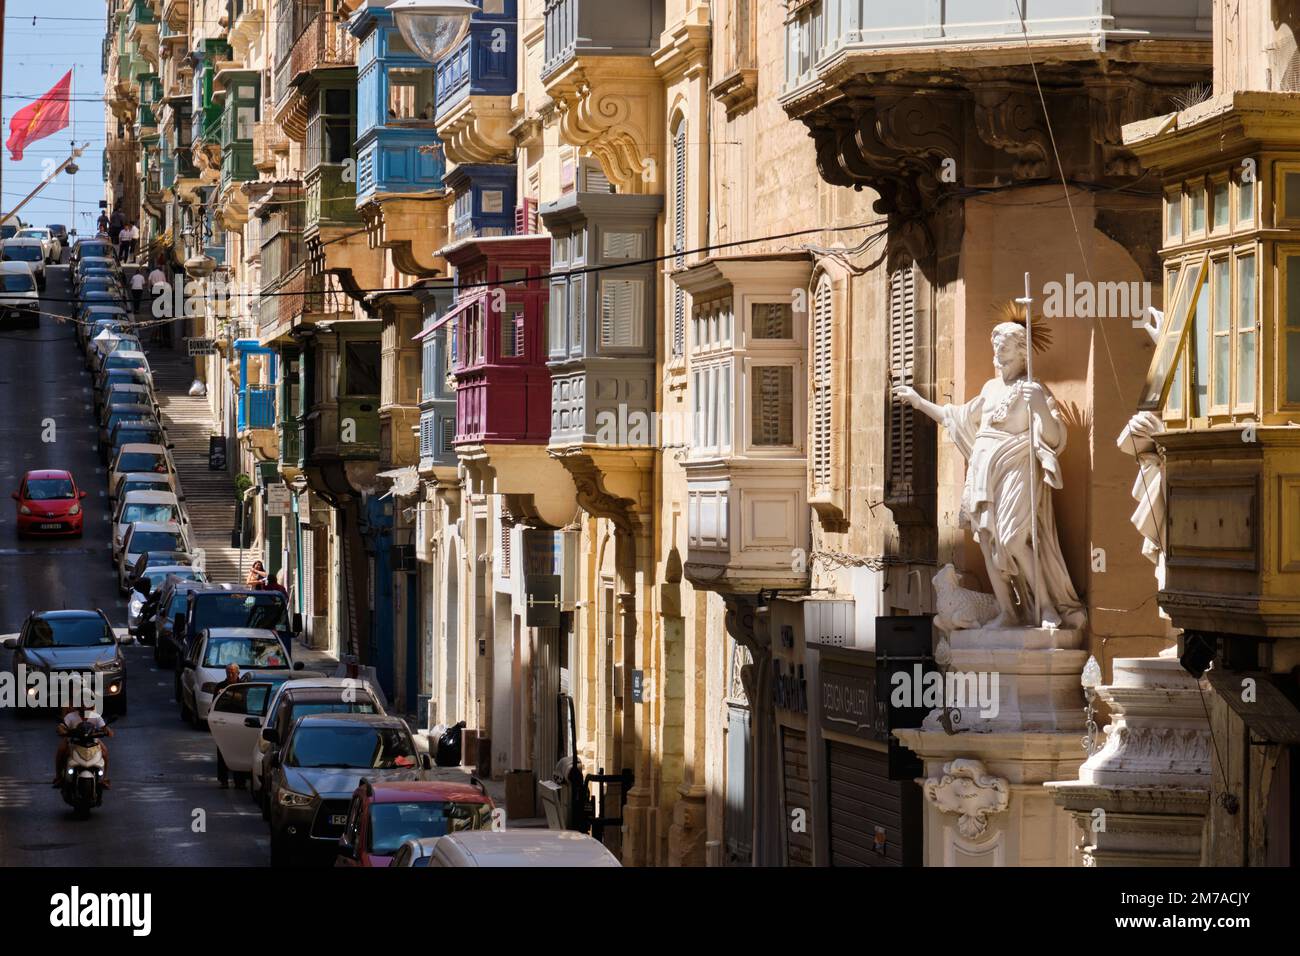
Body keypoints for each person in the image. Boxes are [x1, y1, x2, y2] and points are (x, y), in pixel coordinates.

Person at [894, 304, 1085, 630]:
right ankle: (1009, 614)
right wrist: (919, 401)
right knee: (986, 540)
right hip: (983, 469)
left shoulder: (1033, 390)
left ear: (1023, 354)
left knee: (1012, 539)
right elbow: (956, 417)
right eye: (996, 352)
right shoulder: (990, 389)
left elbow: (1053, 439)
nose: (998, 359)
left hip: (1014, 466)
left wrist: (1038, 405)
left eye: (1005, 353)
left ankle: (1047, 606)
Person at [53, 702, 113, 789]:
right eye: (82, 703)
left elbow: (104, 728)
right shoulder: (71, 716)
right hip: (73, 740)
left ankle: (104, 778)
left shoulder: (95, 716)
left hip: (93, 741)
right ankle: (59, 777)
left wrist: (107, 731)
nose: (84, 706)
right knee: (61, 751)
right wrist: (61, 730)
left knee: (105, 752)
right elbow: (62, 726)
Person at [213, 663, 241, 788]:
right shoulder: (220, 686)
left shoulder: (243, 685)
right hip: (224, 723)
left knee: (239, 752)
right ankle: (223, 780)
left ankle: (240, 781)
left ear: (238, 673)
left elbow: (243, 700)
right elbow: (214, 705)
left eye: (233, 673)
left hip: (240, 724)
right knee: (222, 752)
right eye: (228, 672)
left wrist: (227, 694)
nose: (230, 675)